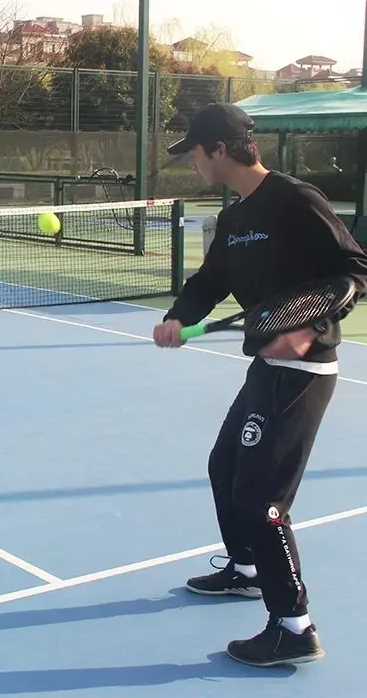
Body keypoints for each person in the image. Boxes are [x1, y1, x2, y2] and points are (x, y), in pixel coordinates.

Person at [153, 102, 367, 667]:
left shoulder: (295, 200)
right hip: (266, 369)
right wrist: (180, 314)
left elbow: (353, 272)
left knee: (262, 500)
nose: (193, 163)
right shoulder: (233, 219)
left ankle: (294, 625)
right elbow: (212, 279)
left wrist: (308, 328)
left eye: (195, 152)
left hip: (303, 371)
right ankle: (245, 568)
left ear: (219, 149)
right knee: (224, 468)